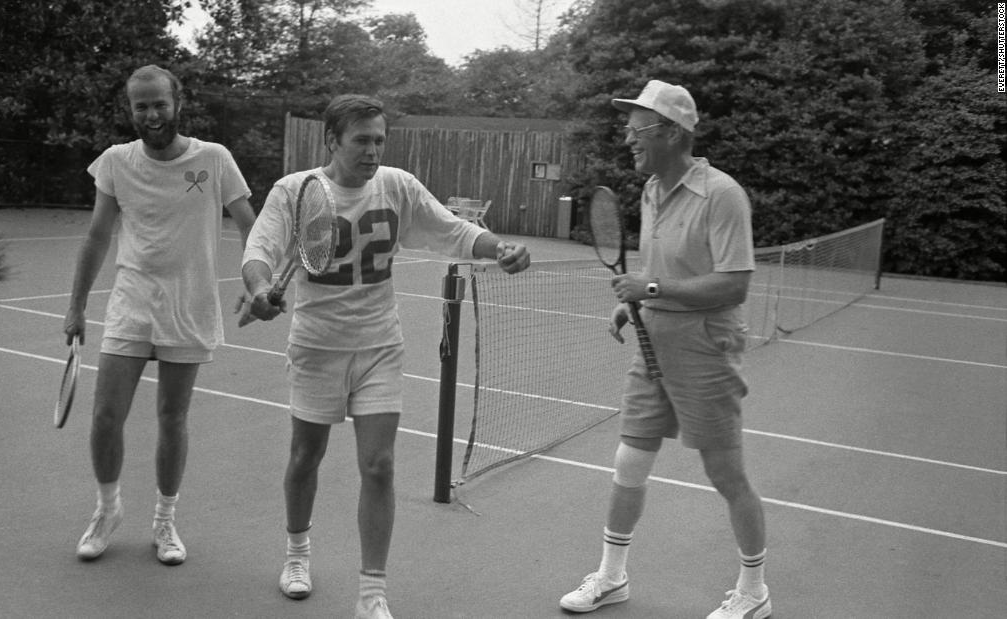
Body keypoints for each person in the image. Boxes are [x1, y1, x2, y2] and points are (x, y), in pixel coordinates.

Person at [241, 94, 531, 619]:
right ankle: (297, 554)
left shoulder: (396, 186)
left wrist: (499, 248)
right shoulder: (295, 191)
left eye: (379, 139)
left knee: (379, 465)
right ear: (332, 140)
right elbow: (259, 251)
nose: (373, 150)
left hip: (378, 346)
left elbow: (452, 230)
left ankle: (372, 592)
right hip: (316, 346)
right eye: (361, 140)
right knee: (306, 457)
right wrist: (261, 289)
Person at [558, 80, 771, 619]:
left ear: (673, 133)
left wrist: (649, 290)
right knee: (629, 460)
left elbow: (734, 284)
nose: (627, 140)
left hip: (706, 350)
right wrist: (636, 305)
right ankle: (612, 575)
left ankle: (754, 592)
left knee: (726, 474)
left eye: (637, 131)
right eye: (627, 131)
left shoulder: (722, 194)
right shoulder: (652, 190)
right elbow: (664, 270)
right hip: (653, 344)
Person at [63, 64, 255, 566]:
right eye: (140, 106)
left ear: (178, 102)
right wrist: (76, 306)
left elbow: (249, 227)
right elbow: (97, 237)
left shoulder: (213, 159)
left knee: (173, 418)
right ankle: (107, 511)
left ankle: (165, 521)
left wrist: (259, 285)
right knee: (106, 416)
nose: (151, 114)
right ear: (131, 110)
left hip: (189, 308)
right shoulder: (114, 162)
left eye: (159, 104)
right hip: (131, 305)